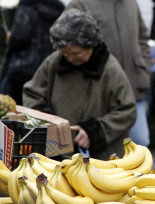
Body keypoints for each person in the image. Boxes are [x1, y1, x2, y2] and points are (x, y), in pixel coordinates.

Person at [23, 9, 137, 160]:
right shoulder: (54, 62)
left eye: (76, 54)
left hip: (101, 160)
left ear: (91, 45)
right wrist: (47, 119)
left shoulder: (110, 69)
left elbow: (127, 111)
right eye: (65, 53)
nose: (70, 58)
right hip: (56, 154)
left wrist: (95, 132)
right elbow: (32, 93)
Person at [66, 0, 151, 147]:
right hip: (99, 94)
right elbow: (67, 51)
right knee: (106, 153)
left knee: (140, 144)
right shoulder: (80, 4)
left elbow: (143, 37)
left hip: (134, 88)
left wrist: (144, 68)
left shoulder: (130, 0)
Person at [0, 0, 64, 105]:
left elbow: (19, 35)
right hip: (50, 65)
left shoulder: (26, 7)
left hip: (24, 69)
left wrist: (10, 39)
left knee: (20, 107)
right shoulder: (57, 9)